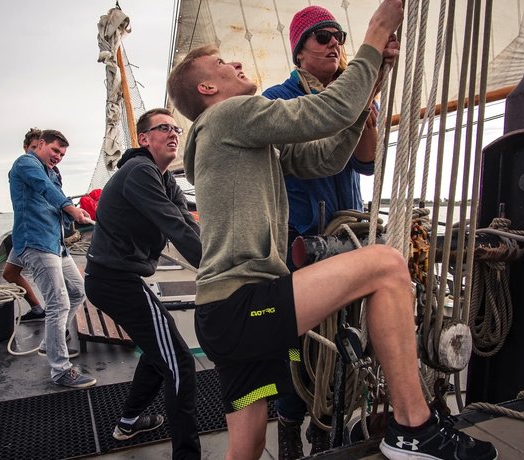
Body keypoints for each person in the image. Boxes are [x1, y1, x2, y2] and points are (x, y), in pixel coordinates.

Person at [166, 0, 497, 459]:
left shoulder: (246, 141)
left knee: (246, 444)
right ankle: (413, 428)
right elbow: (327, 112)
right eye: (223, 63)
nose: (237, 61)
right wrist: (377, 30)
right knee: (385, 264)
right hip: (241, 306)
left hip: (226, 314)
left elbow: (324, 156)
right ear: (207, 86)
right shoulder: (228, 115)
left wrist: (371, 84)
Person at [261, 6, 382, 457]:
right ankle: (290, 422)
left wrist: (365, 116)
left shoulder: (356, 97)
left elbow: (365, 163)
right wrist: (348, 108)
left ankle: (324, 423)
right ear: (299, 51)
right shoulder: (279, 99)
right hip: (301, 239)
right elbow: (312, 153)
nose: (334, 42)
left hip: (345, 233)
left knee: (345, 333)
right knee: (299, 339)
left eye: (338, 35)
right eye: (321, 37)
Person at [85, 108, 202, 459]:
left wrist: (217, 258)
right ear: (144, 138)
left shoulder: (164, 179)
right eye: (163, 128)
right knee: (180, 363)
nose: (173, 134)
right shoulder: (139, 171)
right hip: (114, 280)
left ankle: (128, 421)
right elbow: (174, 228)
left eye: (176, 129)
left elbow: (186, 221)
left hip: (120, 278)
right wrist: (214, 270)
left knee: (157, 352)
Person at [7, 129, 96, 388]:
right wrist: (71, 208)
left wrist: (75, 215)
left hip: (56, 244)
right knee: (58, 303)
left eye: (62, 154)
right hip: (36, 243)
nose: (58, 156)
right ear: (41, 144)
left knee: (78, 291)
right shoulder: (26, 163)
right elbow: (44, 190)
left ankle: (49, 344)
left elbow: (54, 205)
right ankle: (60, 369)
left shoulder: (53, 172)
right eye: (55, 150)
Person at [4, 127, 48, 322]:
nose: (35, 153)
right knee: (10, 273)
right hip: (22, 231)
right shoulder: (22, 167)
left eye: (38, 148)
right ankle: (37, 308)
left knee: (50, 279)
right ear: (25, 148)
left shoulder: (47, 171)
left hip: (37, 233)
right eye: (32, 148)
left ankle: (57, 320)